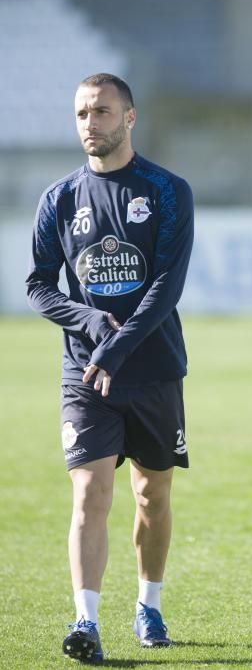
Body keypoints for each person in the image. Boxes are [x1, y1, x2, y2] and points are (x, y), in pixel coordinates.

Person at [27, 73, 194, 664]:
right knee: (91, 493)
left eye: (101, 111)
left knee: (151, 494)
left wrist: (117, 347)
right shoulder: (59, 198)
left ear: (129, 117)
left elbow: (165, 287)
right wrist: (92, 325)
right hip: (85, 373)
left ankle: (148, 604)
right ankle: (86, 620)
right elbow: (40, 286)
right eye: (80, 113)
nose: (89, 123)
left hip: (152, 369)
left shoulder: (168, 190)